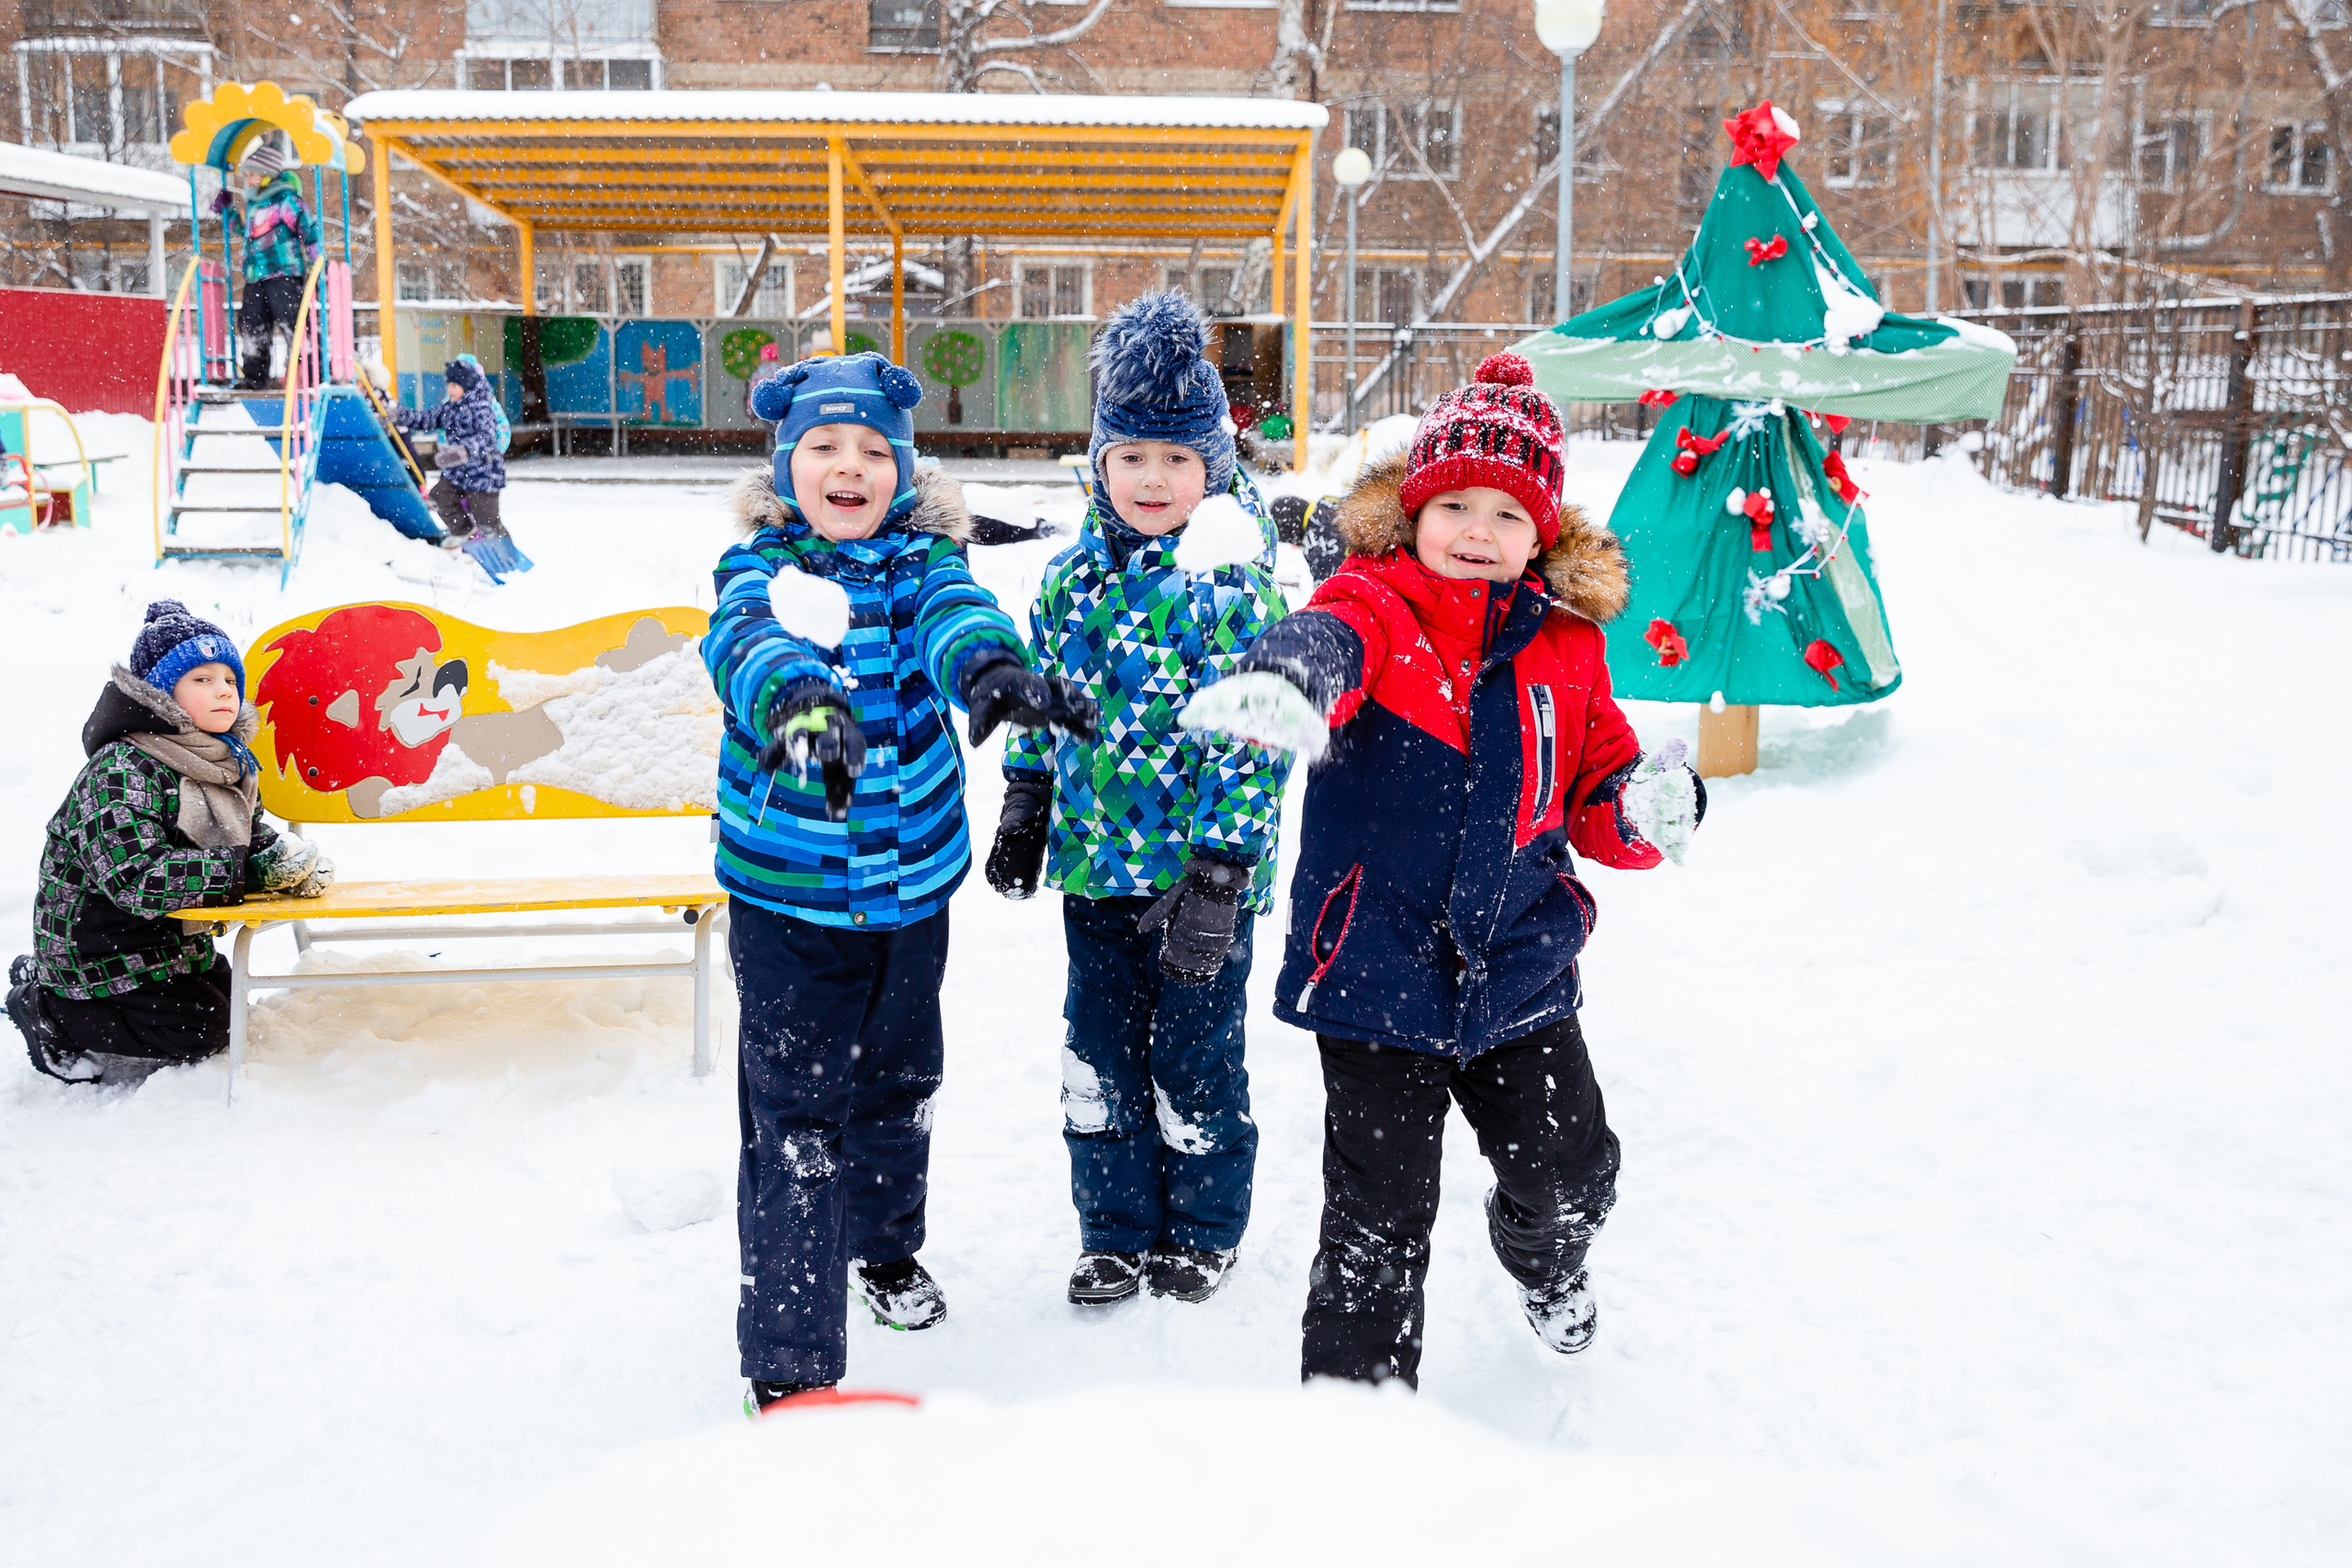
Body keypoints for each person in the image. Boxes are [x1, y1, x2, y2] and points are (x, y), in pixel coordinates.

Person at [1182, 353, 1704, 1387]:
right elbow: (1326, 637)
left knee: (1570, 1178)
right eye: (1454, 504)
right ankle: (1354, 1419)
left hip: (1519, 966)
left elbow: (1597, 784)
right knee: (1374, 1223)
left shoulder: (1566, 646)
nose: (1478, 530)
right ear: (1412, 512)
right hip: (1376, 970)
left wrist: (1642, 808)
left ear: (1543, 535)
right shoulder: (1376, 602)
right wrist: (1288, 679)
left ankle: (1543, 1261)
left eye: (1509, 516)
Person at [711, 351, 1096, 1415]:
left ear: (904, 470)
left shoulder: (925, 562)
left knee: (897, 1085)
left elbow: (954, 619)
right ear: (788, 468)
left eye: (874, 451)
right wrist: (798, 703)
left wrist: (993, 674)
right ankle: (789, 1355)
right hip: (788, 903)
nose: (850, 467)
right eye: (825, 449)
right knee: (793, 1120)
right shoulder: (761, 569)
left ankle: (881, 1247)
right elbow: (744, 646)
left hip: (913, 893)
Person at [985, 292, 1291, 1308]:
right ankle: (1113, 1229)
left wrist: (1223, 867)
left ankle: (1203, 1228)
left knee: (1196, 1062)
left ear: (1215, 467)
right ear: (1099, 466)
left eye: (1176, 459)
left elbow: (1255, 730)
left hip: (1200, 883)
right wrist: (1027, 797)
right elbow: (1046, 700)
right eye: (1131, 458)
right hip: (1094, 870)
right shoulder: (1069, 579)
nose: (1152, 479)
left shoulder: (1235, 582)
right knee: (1098, 1062)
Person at [7, 602, 333, 1085]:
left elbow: (252, 841)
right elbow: (134, 878)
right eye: (201, 679)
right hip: (98, 946)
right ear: (161, 694)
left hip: (166, 943)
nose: (223, 690)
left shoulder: (225, 763)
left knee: (228, 1003)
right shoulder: (123, 767)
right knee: (200, 1029)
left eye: (229, 678)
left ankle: (102, 1002)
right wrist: (245, 872)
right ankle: (46, 1006)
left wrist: (290, 866)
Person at [220, 135, 321, 392]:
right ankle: (254, 377)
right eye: (248, 176)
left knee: (292, 323)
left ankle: (309, 372)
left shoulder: (287, 201)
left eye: (253, 175)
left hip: (283, 275)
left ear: (268, 175)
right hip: (255, 277)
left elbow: (308, 232)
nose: (249, 181)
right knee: (252, 325)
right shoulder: (253, 205)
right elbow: (245, 231)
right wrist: (228, 213)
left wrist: (316, 264)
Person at [390, 355, 512, 548]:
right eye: (448, 385)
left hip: (483, 474)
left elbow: (486, 438)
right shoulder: (451, 408)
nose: (449, 390)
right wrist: (399, 415)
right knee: (439, 497)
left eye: (454, 386)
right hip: (458, 473)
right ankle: (463, 529)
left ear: (467, 385)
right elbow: (426, 419)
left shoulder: (482, 408)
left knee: (488, 524)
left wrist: (465, 451)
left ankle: (507, 556)